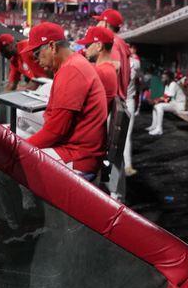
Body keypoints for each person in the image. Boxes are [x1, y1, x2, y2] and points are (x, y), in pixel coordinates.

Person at [22, 21, 108, 176]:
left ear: (52, 47)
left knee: (12, 160)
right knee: (15, 128)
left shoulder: (72, 70)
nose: (36, 61)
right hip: (78, 145)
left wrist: (19, 148)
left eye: (36, 54)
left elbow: (56, 131)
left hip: (78, 156)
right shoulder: (72, 63)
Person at [92, 9, 137, 177]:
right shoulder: (119, 41)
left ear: (105, 23)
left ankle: (116, 197)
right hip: (120, 100)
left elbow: (115, 65)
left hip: (115, 101)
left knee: (114, 153)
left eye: (99, 21)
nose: (96, 24)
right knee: (116, 152)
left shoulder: (114, 42)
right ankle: (117, 194)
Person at [79, 25, 119, 108]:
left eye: (87, 46)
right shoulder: (107, 68)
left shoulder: (100, 72)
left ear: (99, 46)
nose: (85, 49)